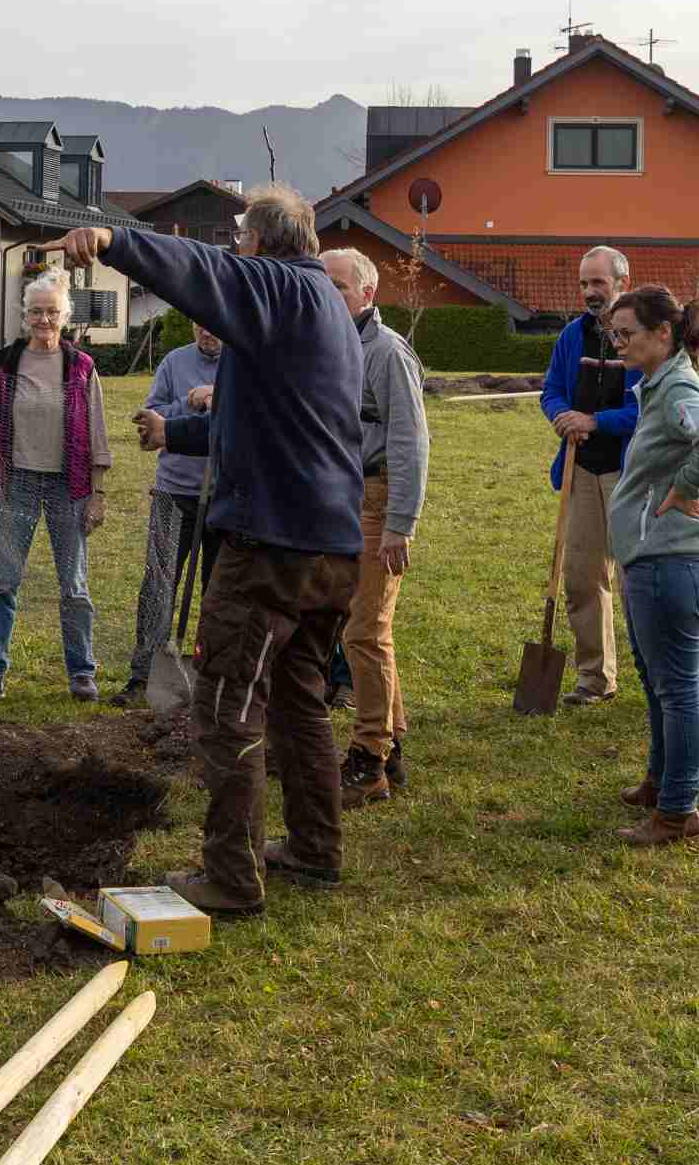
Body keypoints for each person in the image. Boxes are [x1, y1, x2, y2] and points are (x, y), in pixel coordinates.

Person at [50, 184, 361, 915]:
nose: (234, 246)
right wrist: (179, 434)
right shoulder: (325, 309)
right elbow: (277, 418)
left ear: (263, 242)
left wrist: (115, 242)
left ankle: (230, 878)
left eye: (240, 234)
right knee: (301, 704)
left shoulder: (279, 288)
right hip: (330, 546)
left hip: (270, 548)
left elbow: (202, 272)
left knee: (227, 709)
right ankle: (314, 849)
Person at [600, 287, 699, 846]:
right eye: (615, 334)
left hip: (673, 563)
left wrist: (684, 489)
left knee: (678, 690)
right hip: (652, 559)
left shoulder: (679, 385)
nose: (619, 343)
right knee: (660, 685)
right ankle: (662, 784)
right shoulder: (657, 386)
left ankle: (679, 812)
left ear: (663, 333)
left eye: (627, 333)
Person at [0, 269, 115, 704]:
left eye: (51, 312)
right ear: (25, 315)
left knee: (73, 585)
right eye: (36, 311)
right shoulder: (4, 364)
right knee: (3, 583)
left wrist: (98, 493)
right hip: (16, 484)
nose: (43, 320)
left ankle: (82, 672)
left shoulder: (81, 367)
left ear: (65, 316)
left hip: (69, 486)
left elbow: (98, 434)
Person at [321, 247, 430, 805]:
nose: (329, 294)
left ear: (367, 294)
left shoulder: (388, 354)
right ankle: (394, 744)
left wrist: (399, 524)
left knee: (364, 630)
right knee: (365, 628)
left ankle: (368, 760)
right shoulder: (321, 346)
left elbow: (412, 442)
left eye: (339, 286)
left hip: (378, 499)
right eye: (323, 283)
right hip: (340, 499)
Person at [538, 246, 638, 707]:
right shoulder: (571, 337)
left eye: (598, 283)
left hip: (629, 472)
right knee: (581, 577)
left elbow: (644, 409)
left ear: (622, 282)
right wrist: (562, 416)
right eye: (583, 283)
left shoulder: (639, 339)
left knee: (636, 578)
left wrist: (597, 422)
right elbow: (552, 390)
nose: (589, 292)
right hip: (579, 471)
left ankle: (659, 676)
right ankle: (595, 680)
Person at [116, 322, 221, 708]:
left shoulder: (245, 364)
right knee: (158, 585)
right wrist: (187, 405)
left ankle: (210, 678)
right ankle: (143, 674)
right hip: (174, 492)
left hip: (223, 497)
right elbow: (151, 416)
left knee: (218, 592)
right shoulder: (174, 363)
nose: (204, 330)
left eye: (212, 324)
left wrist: (218, 397)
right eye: (197, 322)